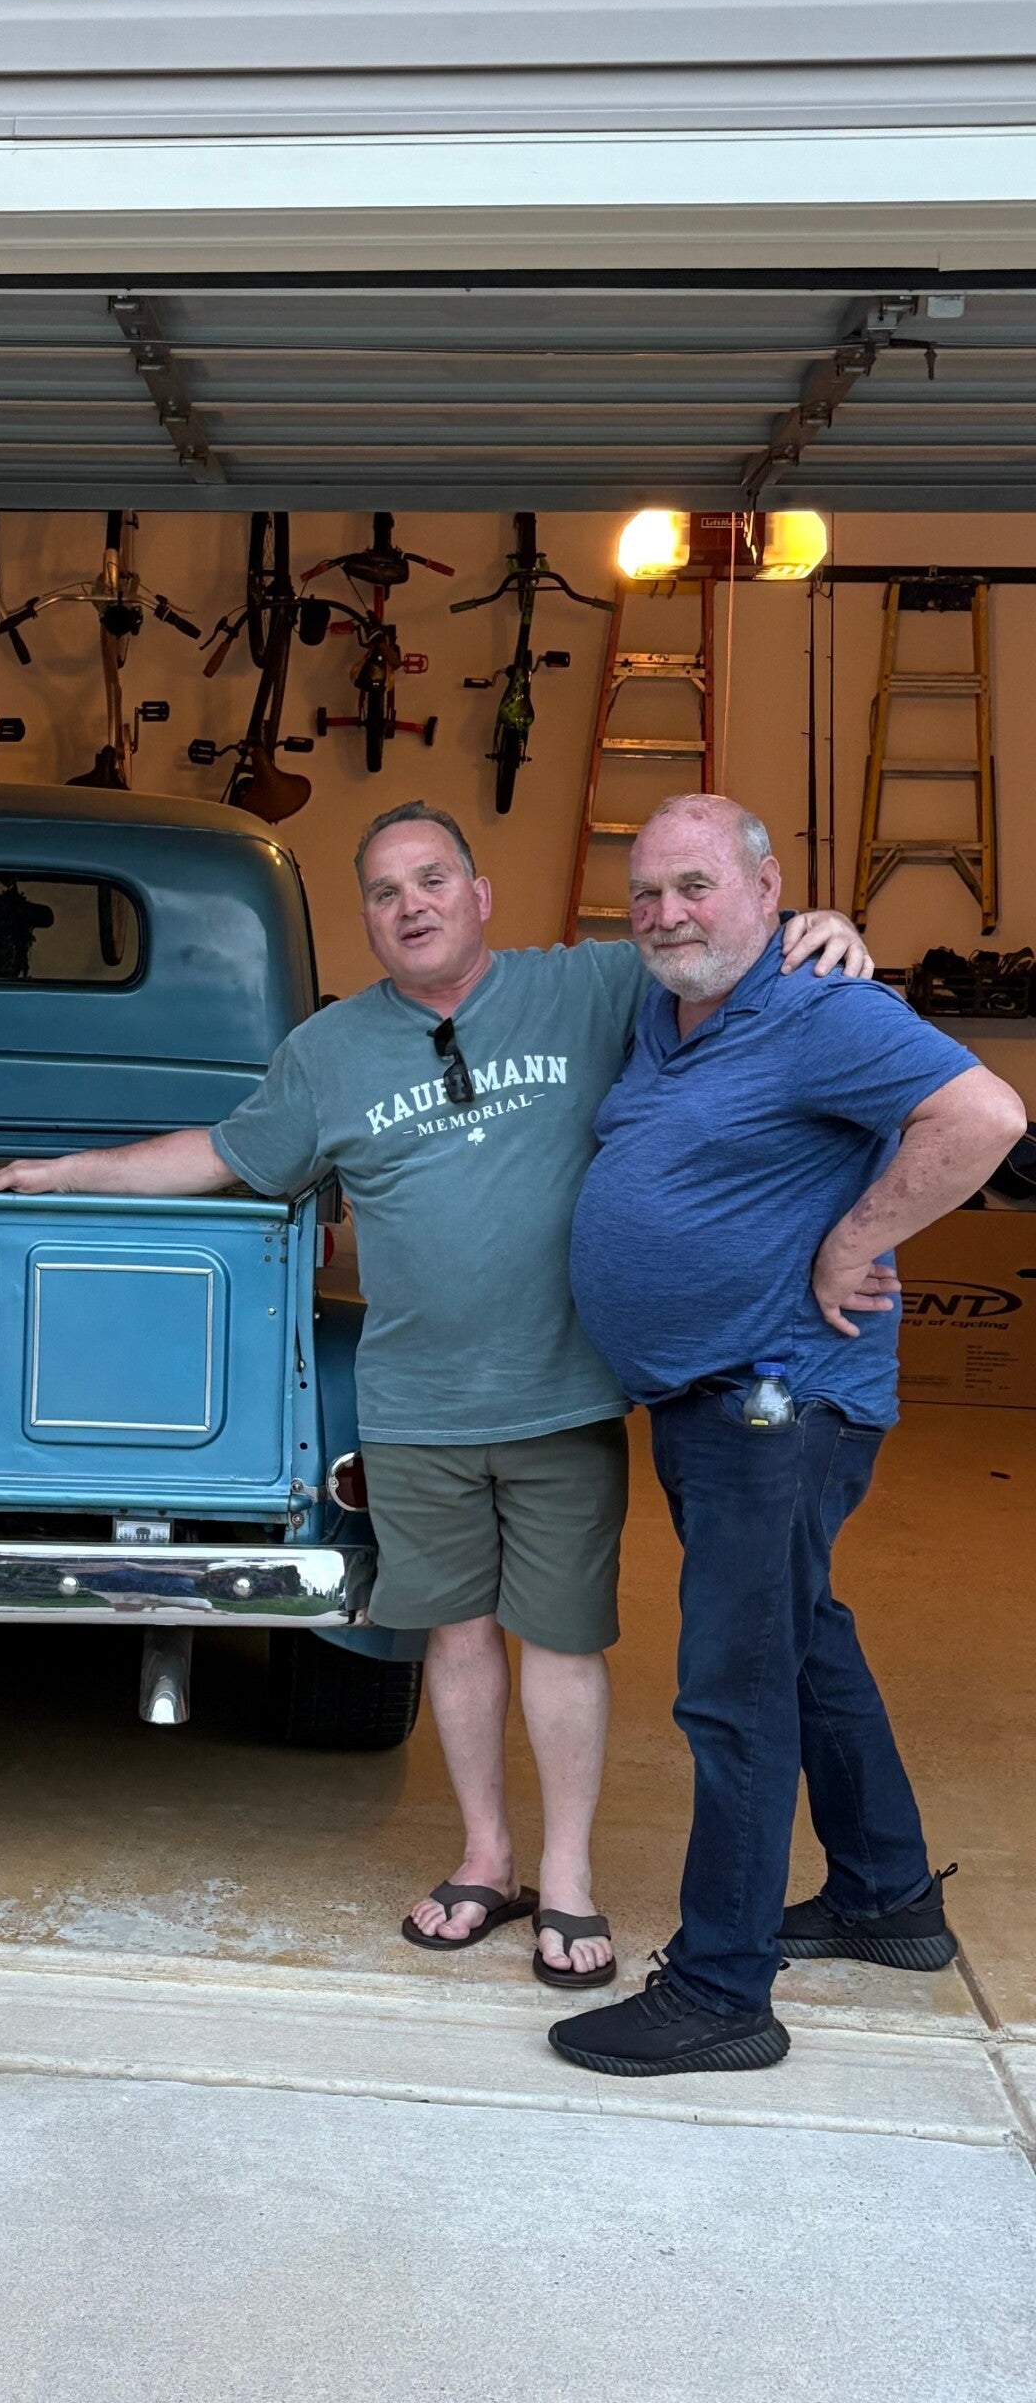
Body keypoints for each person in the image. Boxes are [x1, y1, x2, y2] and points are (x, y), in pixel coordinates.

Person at [0, 801, 870, 1984]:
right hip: (413, 1407)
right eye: (386, 891)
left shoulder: (587, 987)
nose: (413, 905)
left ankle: (568, 1882)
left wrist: (822, 925)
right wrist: (66, 1174)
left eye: (433, 878)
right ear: (369, 919)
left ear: (480, 893)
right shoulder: (329, 1050)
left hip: (560, 1396)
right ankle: (486, 1859)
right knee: (453, 1636)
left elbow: (709, 943)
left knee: (562, 1644)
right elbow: (224, 1153)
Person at [552, 795, 1025, 2077]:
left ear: (768, 892)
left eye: (697, 886)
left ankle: (721, 1989)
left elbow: (986, 1115)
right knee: (801, 1637)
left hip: (781, 1397)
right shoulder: (667, 1008)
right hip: (714, 1402)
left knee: (736, 1688)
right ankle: (886, 1894)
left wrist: (853, 1239)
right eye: (648, 893)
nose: (667, 914)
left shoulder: (821, 1007)